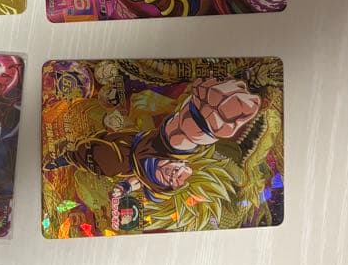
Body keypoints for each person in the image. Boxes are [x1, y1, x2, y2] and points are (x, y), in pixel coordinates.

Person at [44, 77, 260, 201]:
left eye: (171, 179)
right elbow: (174, 145)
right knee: (178, 137)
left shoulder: (148, 176)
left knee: (178, 136)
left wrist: (124, 189)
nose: (172, 174)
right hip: (130, 143)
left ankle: (65, 158)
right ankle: (205, 116)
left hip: (112, 155)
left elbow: (137, 181)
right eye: (177, 173)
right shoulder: (168, 153)